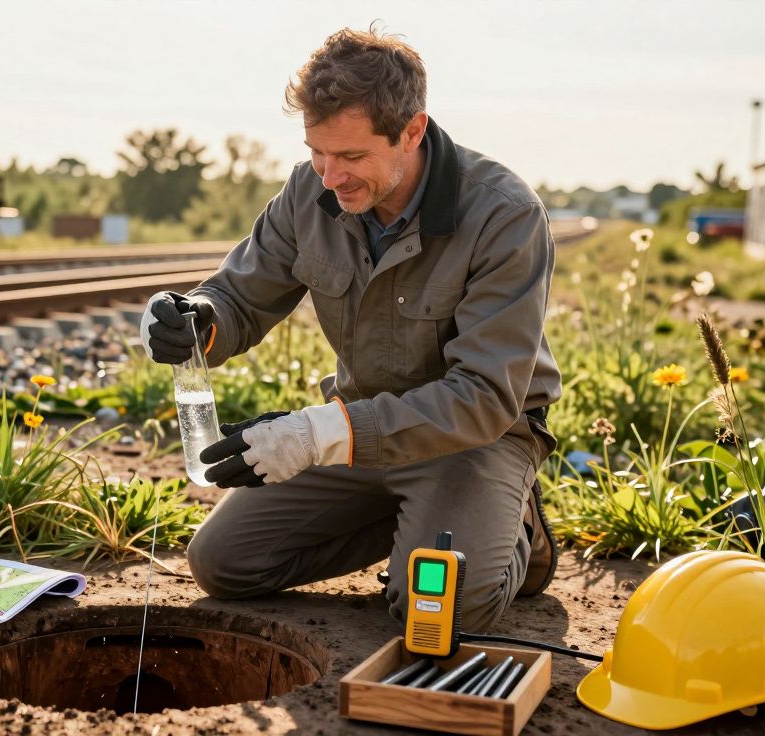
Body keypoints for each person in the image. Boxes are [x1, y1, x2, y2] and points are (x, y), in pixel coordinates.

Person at [139, 26, 561, 631]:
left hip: (475, 440)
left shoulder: (503, 214)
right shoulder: (309, 190)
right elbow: (239, 296)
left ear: (412, 131)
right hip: (359, 431)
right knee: (224, 563)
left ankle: (517, 528)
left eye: (353, 156)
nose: (330, 175)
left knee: (435, 614)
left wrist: (312, 436)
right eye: (317, 150)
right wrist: (200, 321)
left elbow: (485, 397)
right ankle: (416, 524)